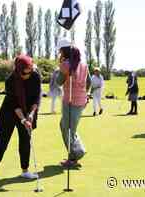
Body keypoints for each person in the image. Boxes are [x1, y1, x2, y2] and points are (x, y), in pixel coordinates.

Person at [0, 55, 41, 182]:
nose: (27, 75)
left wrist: (32, 114)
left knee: (25, 140)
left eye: (30, 72)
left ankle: (25, 171)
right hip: (9, 112)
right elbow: (14, 104)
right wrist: (23, 120)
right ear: (18, 70)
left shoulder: (35, 76)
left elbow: (36, 98)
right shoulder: (10, 80)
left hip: (28, 110)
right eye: (25, 73)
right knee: (2, 141)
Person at [56, 39, 91, 167]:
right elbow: (89, 82)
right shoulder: (83, 64)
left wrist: (61, 67)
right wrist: (86, 94)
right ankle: (75, 155)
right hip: (81, 101)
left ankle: (76, 155)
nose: (59, 53)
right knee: (66, 126)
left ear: (64, 51)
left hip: (70, 101)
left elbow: (58, 82)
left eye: (60, 51)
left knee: (68, 129)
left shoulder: (65, 64)